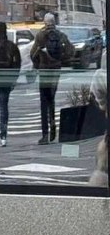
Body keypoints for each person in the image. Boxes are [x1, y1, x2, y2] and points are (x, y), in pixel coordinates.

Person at [30, 13, 73, 145]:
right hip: (56, 69)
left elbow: (32, 54)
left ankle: (45, 135)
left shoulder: (40, 36)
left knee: (44, 102)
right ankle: (53, 122)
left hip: (44, 71)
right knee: (52, 99)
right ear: (54, 22)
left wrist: (38, 64)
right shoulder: (61, 35)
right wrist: (61, 60)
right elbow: (70, 50)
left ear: (45, 22)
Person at [0, 22, 21, 147]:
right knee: (3, 109)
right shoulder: (12, 46)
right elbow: (17, 65)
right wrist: (13, 80)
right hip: (5, 81)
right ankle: (3, 136)